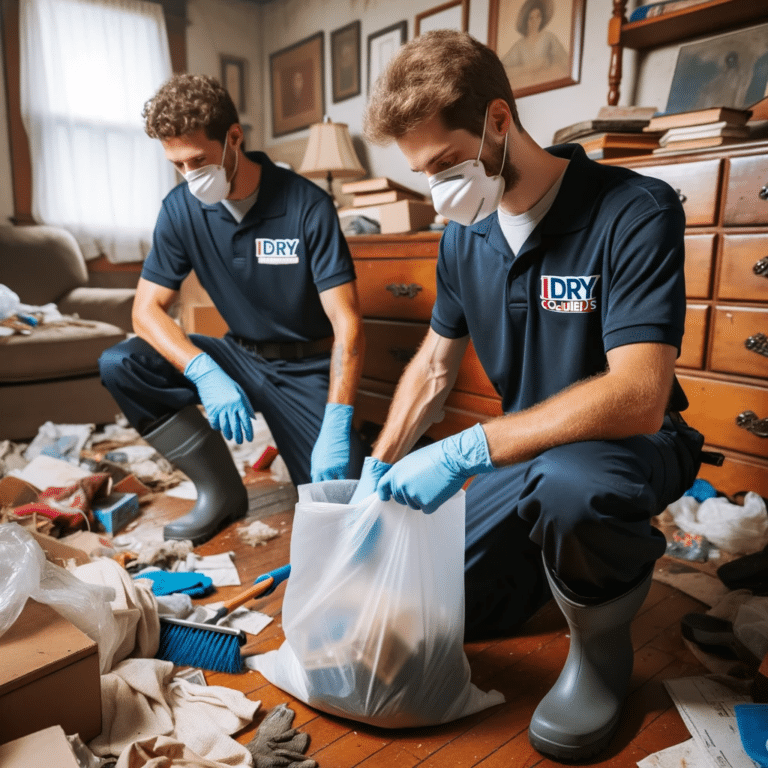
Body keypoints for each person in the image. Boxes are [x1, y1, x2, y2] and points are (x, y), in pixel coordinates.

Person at [357, 30, 704, 762]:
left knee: (571, 490)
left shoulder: (632, 210)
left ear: (499, 121)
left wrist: (464, 448)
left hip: (627, 446)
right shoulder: (465, 236)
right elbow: (431, 368)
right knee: (417, 610)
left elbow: (640, 394)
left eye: (447, 161)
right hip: (524, 452)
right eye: (422, 173)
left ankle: (601, 652)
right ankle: (558, 567)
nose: (439, 186)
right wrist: (376, 473)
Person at [99, 73, 366, 545]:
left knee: (346, 514)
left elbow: (347, 323)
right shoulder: (180, 209)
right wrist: (204, 370)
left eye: (198, 159)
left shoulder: (307, 206)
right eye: (177, 164)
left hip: (306, 368)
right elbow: (146, 311)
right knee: (122, 362)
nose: (189, 174)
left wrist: (338, 419)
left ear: (234, 139)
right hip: (237, 357)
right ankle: (220, 493)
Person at [501, 0, 568, 89]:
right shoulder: (519, 46)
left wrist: (549, 63)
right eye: (531, 18)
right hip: (527, 88)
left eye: (538, 16)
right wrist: (527, 68)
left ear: (542, 18)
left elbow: (565, 60)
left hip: (549, 86)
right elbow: (502, 68)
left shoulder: (549, 38)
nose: (535, 21)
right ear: (525, 20)